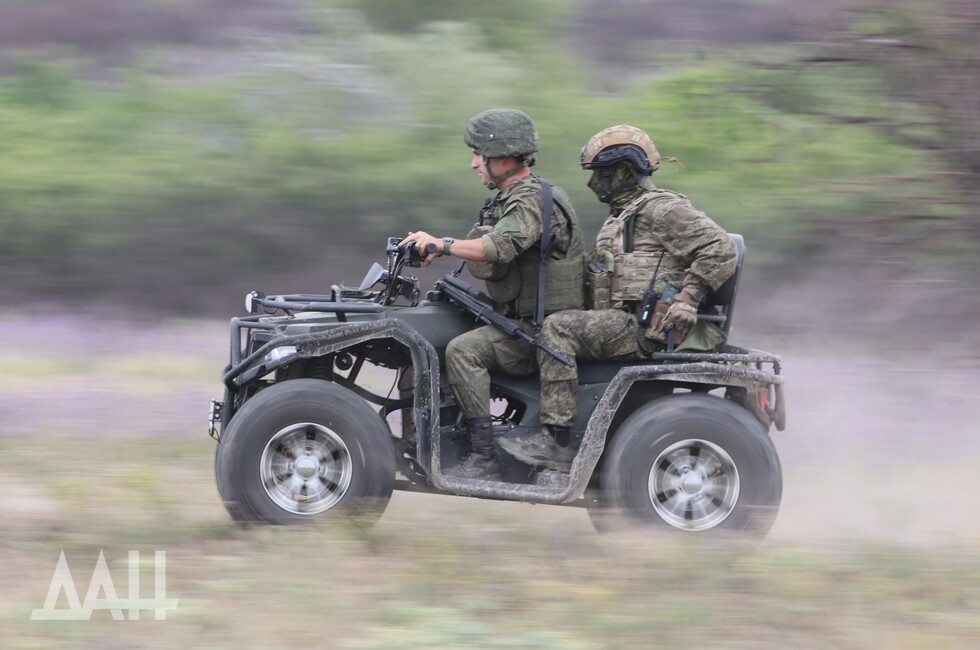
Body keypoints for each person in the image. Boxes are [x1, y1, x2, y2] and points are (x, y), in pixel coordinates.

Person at [497, 124, 737, 470]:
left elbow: (720, 248)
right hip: (625, 321)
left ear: (622, 172)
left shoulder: (660, 209)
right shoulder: (623, 217)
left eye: (598, 174)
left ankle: (557, 441)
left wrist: (688, 298)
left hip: (648, 328)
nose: (591, 183)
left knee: (558, 329)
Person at [400, 108, 585, 479]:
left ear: (501, 156)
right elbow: (487, 254)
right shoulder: (506, 198)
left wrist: (443, 243)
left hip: (541, 332)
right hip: (525, 321)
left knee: (463, 350)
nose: (473, 165)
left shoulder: (530, 199)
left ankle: (482, 458)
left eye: (477, 155)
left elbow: (499, 247)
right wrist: (435, 251)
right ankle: (433, 440)